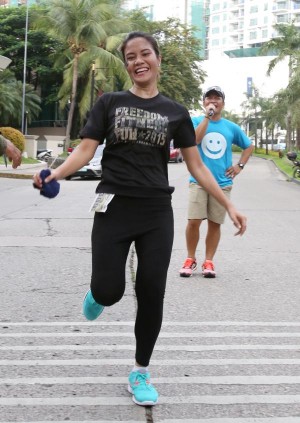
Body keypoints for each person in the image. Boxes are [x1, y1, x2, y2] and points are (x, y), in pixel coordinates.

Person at [33, 33, 247, 407]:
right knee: (109, 290)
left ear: (158, 58)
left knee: (152, 291)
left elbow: (195, 163)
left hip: (154, 212)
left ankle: (140, 370)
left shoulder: (176, 111)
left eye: (145, 53)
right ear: (127, 64)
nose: (138, 61)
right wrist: (56, 173)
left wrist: (228, 205)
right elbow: (86, 149)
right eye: (131, 57)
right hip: (114, 207)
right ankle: (98, 294)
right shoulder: (109, 102)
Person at [179, 85, 254, 279]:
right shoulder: (195, 121)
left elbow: (249, 146)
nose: (213, 101)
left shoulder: (231, 127)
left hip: (222, 183)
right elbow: (194, 140)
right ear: (204, 102)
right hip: (198, 181)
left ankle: (209, 261)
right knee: (193, 221)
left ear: (223, 103)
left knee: (214, 223)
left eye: (217, 98)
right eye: (209, 98)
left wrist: (240, 166)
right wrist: (207, 117)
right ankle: (190, 258)